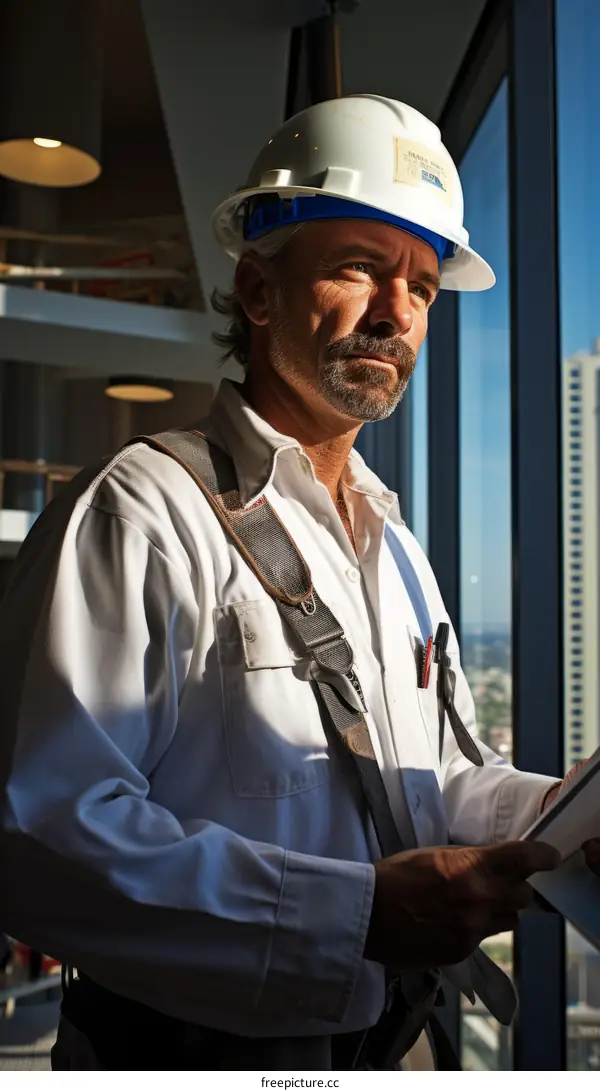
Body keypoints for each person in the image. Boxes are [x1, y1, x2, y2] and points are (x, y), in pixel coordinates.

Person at [0, 94, 597, 1071]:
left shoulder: (395, 546)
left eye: (421, 285)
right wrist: (356, 912)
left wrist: (559, 818)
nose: (395, 311)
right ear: (258, 289)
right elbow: (39, 836)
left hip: (398, 1042)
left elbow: (429, 781)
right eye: (359, 266)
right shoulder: (141, 512)